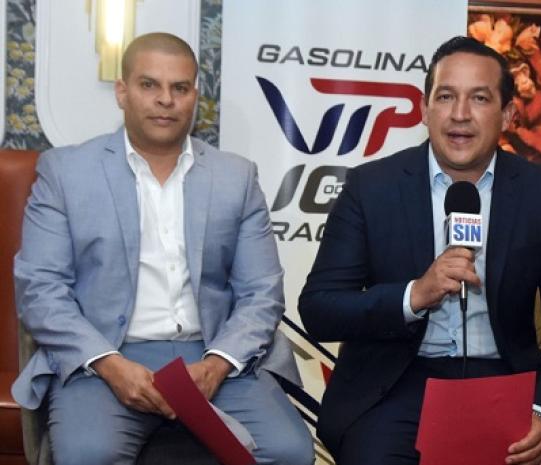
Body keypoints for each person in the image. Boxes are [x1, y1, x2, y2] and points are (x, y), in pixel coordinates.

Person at [12, 32, 314, 465]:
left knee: (289, 451)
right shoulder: (66, 172)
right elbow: (40, 289)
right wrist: (111, 365)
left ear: (196, 95)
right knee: (87, 455)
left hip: (213, 353)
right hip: (105, 355)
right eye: (149, 85)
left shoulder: (236, 178)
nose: (165, 100)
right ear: (122, 91)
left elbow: (261, 292)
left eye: (180, 88)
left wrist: (216, 365)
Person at [298, 36, 541, 465]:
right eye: (445, 96)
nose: (460, 114)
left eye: (479, 98)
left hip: (510, 379)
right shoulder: (372, 188)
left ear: (508, 114)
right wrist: (413, 295)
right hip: (400, 379)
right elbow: (320, 309)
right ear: (424, 110)